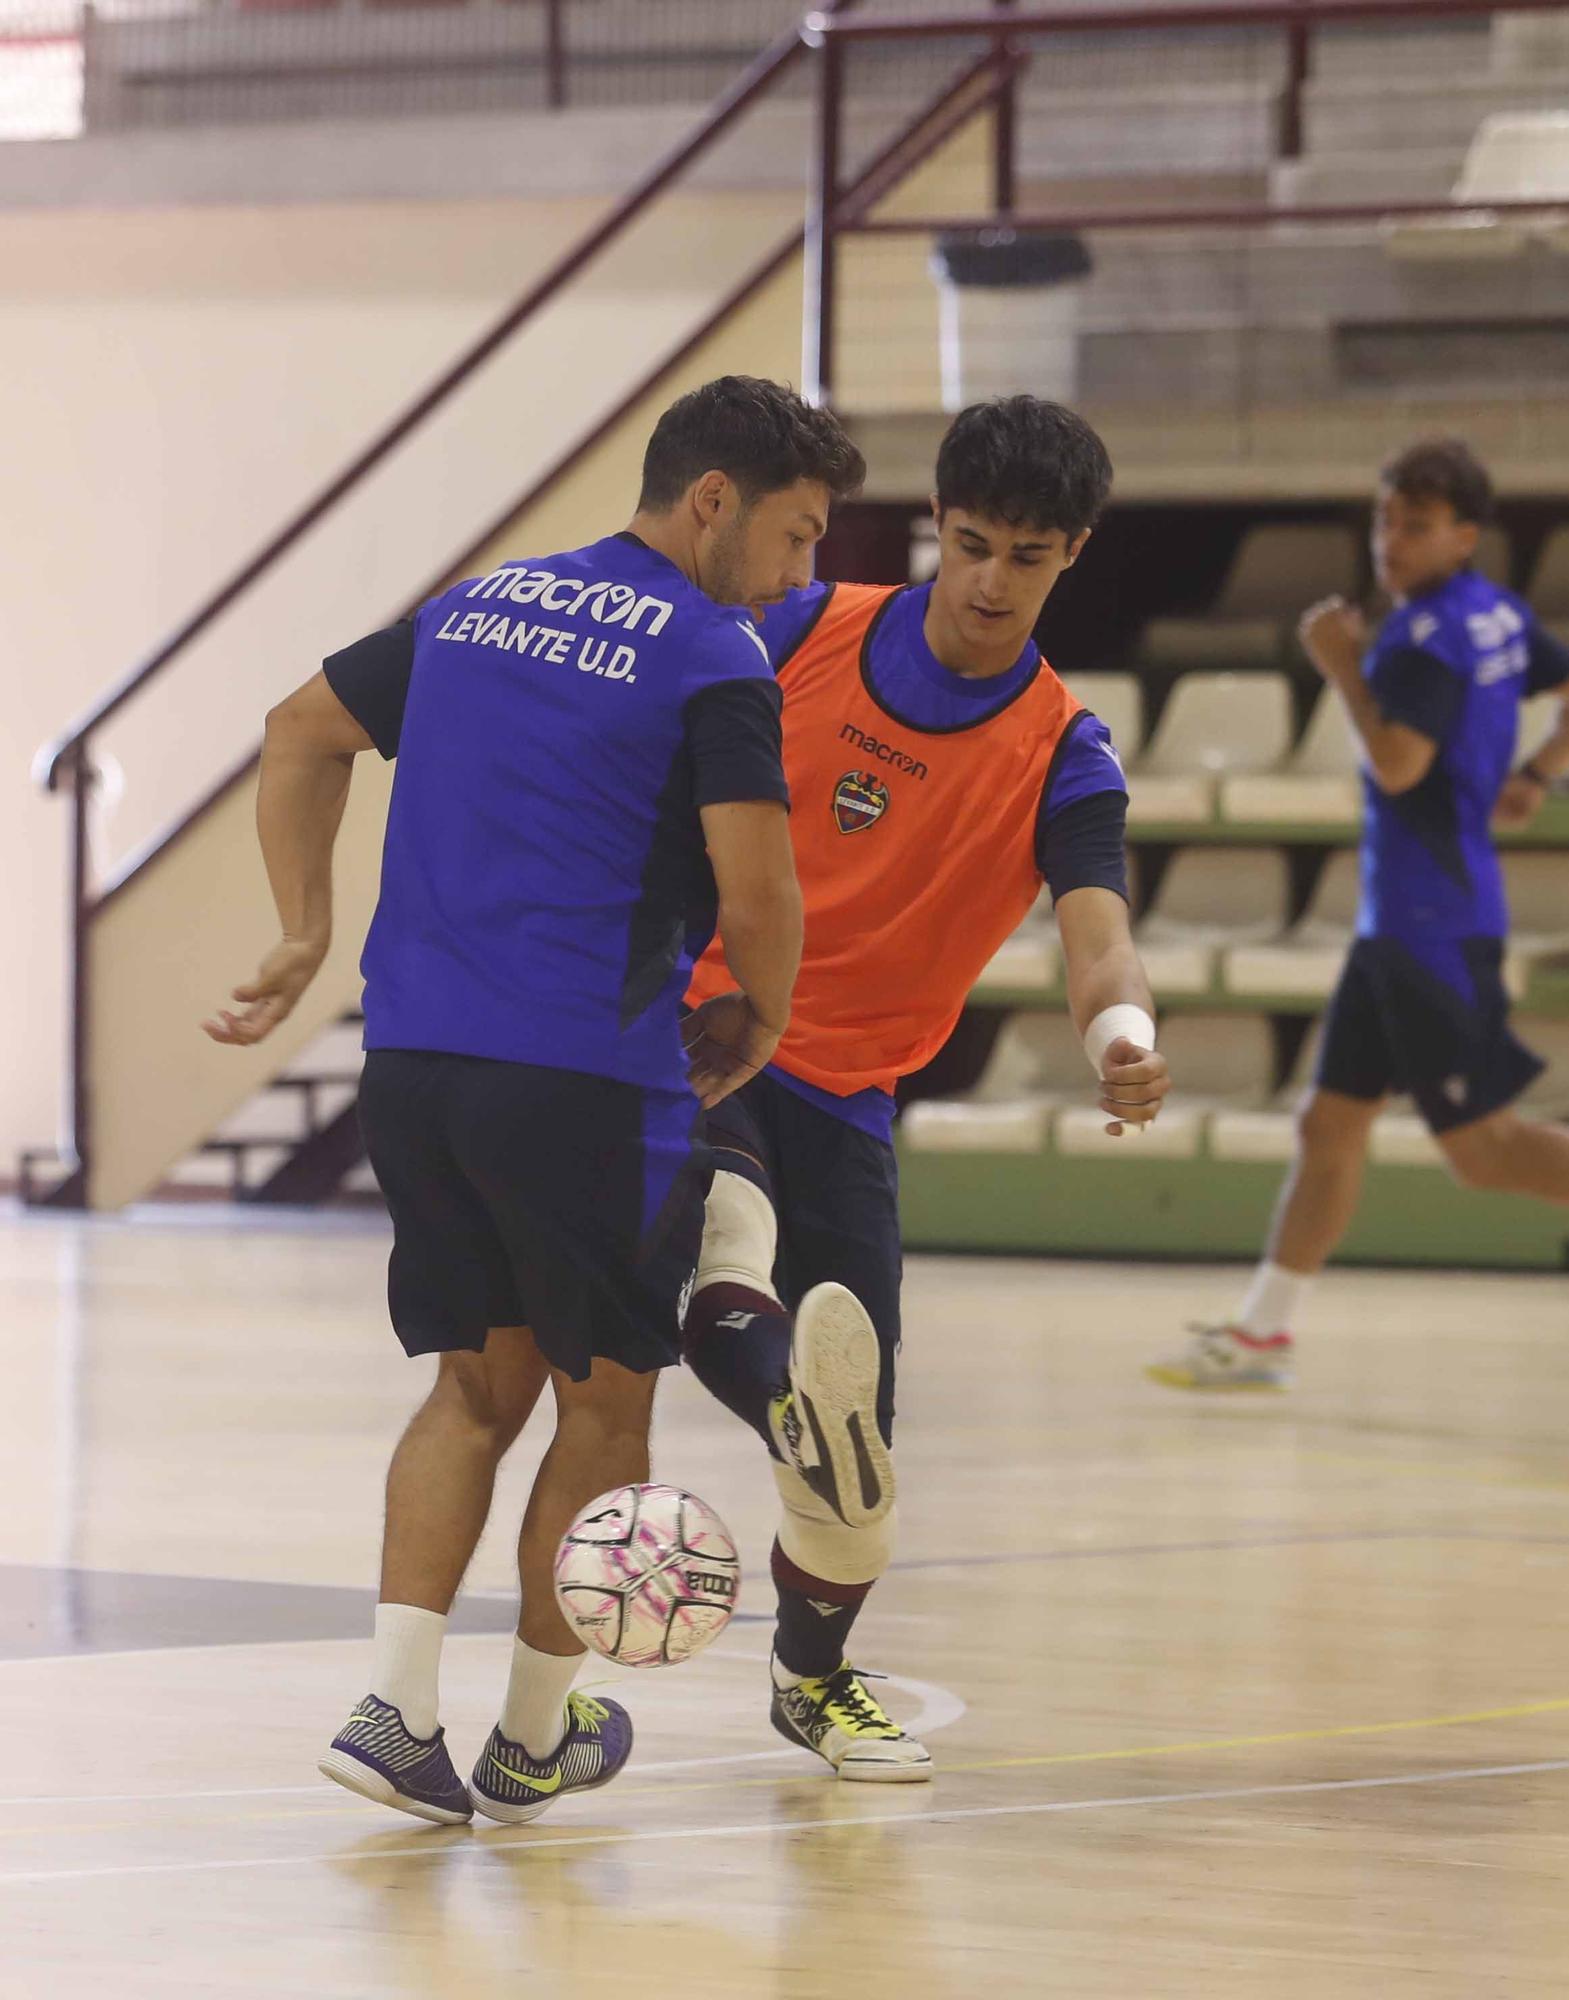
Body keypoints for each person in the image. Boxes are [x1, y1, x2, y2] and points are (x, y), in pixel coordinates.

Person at [204, 376, 865, 1824]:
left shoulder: (473, 606)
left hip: (416, 1063)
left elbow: (297, 729)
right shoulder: (715, 652)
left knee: (472, 1387)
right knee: (607, 1404)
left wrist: (302, 929)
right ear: (713, 503)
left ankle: (391, 1711)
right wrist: (756, 1021)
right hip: (583, 1076)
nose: (800, 574)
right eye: (798, 537)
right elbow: (760, 887)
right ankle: (530, 1734)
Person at [678, 396, 1170, 1782]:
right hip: (706, 1025)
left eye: (1026, 556)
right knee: (731, 1245)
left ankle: (810, 1677)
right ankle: (786, 1400)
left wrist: (1119, 1033)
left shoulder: (1063, 749)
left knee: (862, 1463)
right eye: (969, 545)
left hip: (849, 1087)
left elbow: (1098, 931)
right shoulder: (796, 630)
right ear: (932, 529)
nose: (989, 582)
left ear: (1069, 557)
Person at [1151, 437, 1569, 1394]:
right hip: (1404, 923)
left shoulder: (1419, 635)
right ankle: (1261, 1334)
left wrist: (1339, 663)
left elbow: (1398, 764)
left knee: (1488, 1155)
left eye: (1413, 526)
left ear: (1465, 534)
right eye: (1383, 520)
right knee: (1327, 1126)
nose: (1390, 541)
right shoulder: (1499, 613)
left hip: (1431, 925)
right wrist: (1536, 774)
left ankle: (1260, 1334)